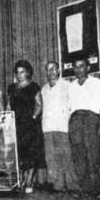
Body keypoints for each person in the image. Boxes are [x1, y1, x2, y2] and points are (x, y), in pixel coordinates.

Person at [7, 60, 45, 194]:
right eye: (17, 72)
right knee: (19, 152)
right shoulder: (12, 87)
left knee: (31, 153)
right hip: (16, 124)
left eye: (22, 72)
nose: (19, 74)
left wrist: (33, 117)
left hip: (30, 125)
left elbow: (39, 104)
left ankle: (29, 180)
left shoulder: (34, 86)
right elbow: (9, 105)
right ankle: (21, 178)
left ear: (28, 72)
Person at [41, 61, 79, 192]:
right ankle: (58, 185)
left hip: (62, 126)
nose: (50, 72)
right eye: (48, 69)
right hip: (48, 127)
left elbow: (72, 105)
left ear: (58, 71)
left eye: (53, 69)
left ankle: (72, 185)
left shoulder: (67, 85)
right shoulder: (44, 88)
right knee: (51, 157)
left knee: (66, 156)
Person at [68, 59, 100, 196]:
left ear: (88, 67)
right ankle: (83, 188)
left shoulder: (97, 83)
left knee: (93, 155)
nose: (78, 69)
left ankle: (99, 189)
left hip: (91, 119)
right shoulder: (71, 86)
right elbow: (70, 108)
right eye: (75, 67)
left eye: (81, 66)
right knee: (78, 155)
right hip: (76, 120)